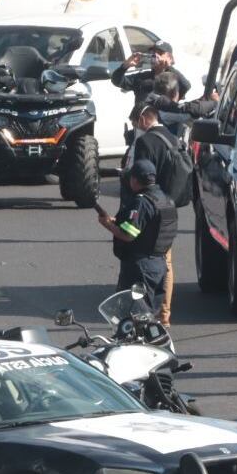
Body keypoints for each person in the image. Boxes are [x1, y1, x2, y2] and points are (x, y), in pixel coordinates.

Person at [123, 97, 186, 324]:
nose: (135, 128)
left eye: (135, 123)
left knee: (146, 261)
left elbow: (140, 176)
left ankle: (148, 313)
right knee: (167, 262)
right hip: (170, 207)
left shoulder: (146, 142)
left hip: (149, 209)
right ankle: (165, 314)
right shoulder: (172, 138)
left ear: (142, 119)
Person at [97, 159, 175, 316]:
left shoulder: (141, 202)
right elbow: (148, 226)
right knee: (150, 313)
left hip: (140, 268)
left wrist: (107, 224)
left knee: (134, 315)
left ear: (134, 180)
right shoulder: (166, 200)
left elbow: (128, 235)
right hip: (159, 264)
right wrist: (116, 221)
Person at [112, 40, 190, 99]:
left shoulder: (173, 79)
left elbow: (186, 86)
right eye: (153, 52)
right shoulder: (142, 78)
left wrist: (168, 67)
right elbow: (117, 81)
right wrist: (125, 66)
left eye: (160, 53)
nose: (155, 56)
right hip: (143, 119)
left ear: (169, 58)